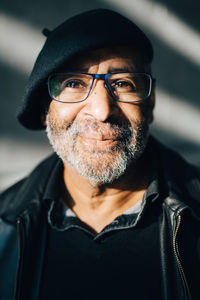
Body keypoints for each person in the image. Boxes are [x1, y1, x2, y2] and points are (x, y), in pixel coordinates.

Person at [0, 8, 200, 300]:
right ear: (45, 109)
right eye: (73, 84)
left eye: (122, 84)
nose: (102, 110)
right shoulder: (5, 224)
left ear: (151, 103)